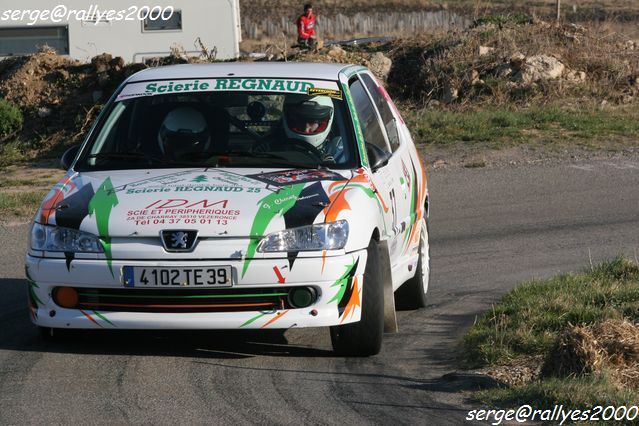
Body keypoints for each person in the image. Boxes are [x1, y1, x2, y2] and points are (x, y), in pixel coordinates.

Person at [255, 95, 346, 164]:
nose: (306, 128)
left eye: (312, 121)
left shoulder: (341, 151)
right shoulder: (268, 147)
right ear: (288, 119)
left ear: (324, 121)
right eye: (299, 121)